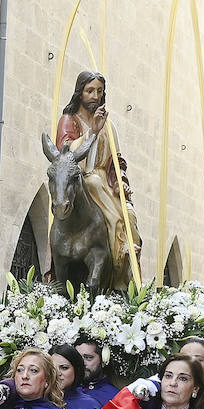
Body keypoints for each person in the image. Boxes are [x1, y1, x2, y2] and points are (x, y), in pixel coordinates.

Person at [54, 69, 143, 287]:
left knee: (129, 217)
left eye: (99, 92)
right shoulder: (69, 120)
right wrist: (91, 132)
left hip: (106, 183)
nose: (95, 96)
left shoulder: (109, 125)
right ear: (80, 93)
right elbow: (64, 155)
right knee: (92, 182)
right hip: (79, 183)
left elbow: (116, 160)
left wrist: (121, 181)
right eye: (89, 91)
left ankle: (123, 266)